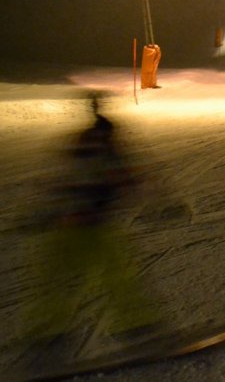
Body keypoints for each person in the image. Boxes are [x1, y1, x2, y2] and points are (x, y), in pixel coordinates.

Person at [20, 96, 161, 360]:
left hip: (64, 226)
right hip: (92, 226)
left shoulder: (77, 147)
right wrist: (157, 203)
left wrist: (40, 215)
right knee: (117, 276)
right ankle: (136, 327)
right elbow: (127, 178)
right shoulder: (108, 151)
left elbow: (56, 184)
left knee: (56, 282)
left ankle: (46, 336)